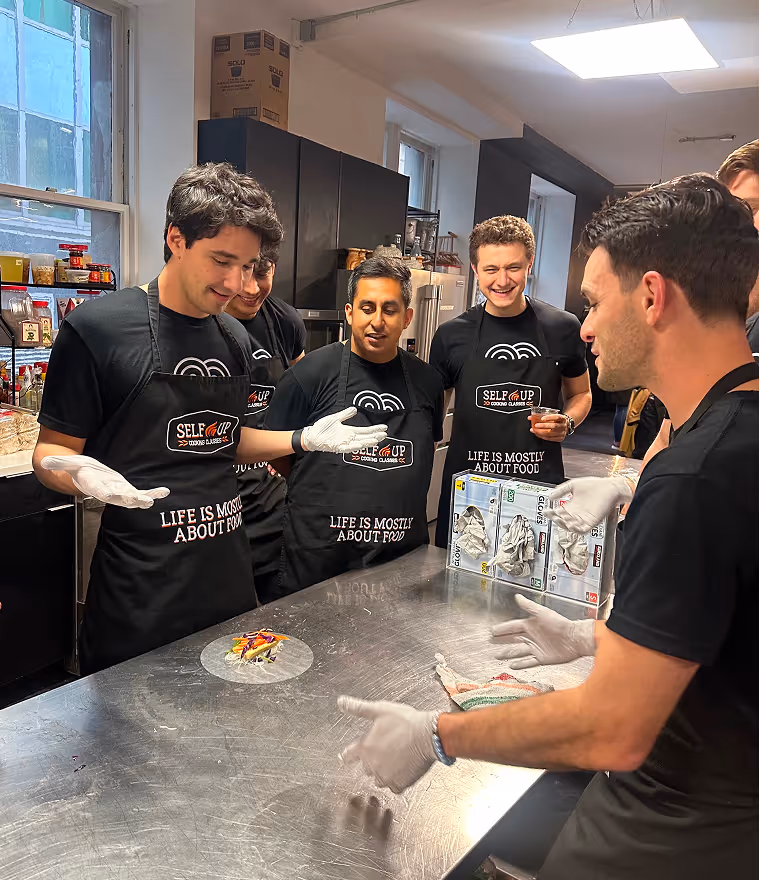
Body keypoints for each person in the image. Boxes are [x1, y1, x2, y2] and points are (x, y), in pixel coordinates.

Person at [336, 174, 758, 879]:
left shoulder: (692, 479)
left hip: (670, 826)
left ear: (652, 296)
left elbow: (613, 729)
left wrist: (436, 733)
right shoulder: (737, 424)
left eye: (594, 302)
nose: (584, 326)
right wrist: (597, 635)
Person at [32, 163, 386, 674]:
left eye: (247, 265)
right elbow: (50, 452)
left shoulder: (233, 338)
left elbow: (225, 438)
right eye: (221, 260)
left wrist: (301, 439)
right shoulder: (99, 330)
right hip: (141, 585)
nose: (235, 282)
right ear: (176, 238)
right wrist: (79, 473)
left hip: (225, 575)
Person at [265, 256, 445, 595]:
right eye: (367, 308)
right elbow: (279, 453)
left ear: (407, 317)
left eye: (389, 310)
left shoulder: (428, 383)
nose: (377, 321)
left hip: (400, 560)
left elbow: (426, 450)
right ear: (349, 313)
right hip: (319, 559)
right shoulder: (307, 376)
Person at [430, 215, 592, 549]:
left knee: (527, 579)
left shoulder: (562, 327)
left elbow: (582, 393)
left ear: (530, 264)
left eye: (513, 268)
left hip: (537, 487)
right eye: (490, 269)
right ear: (475, 270)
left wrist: (568, 421)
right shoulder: (451, 335)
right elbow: (432, 413)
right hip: (468, 490)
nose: (502, 280)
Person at [224, 252, 306, 604]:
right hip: (211, 503)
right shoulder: (193, 323)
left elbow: (304, 395)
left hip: (269, 503)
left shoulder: (284, 321)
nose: (252, 287)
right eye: (243, 272)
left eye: (263, 273)